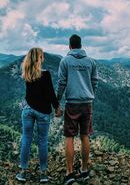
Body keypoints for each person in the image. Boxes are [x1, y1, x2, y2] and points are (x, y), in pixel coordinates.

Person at [16, 47, 62, 183]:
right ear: (39, 58)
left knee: (26, 140)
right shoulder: (45, 74)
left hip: (28, 110)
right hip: (42, 112)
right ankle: (43, 173)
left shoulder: (26, 73)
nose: (44, 58)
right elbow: (50, 94)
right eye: (42, 56)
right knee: (42, 141)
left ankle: (22, 172)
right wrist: (57, 107)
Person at [57, 34, 98, 185]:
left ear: (70, 46)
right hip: (87, 103)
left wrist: (57, 101)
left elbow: (61, 83)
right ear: (81, 46)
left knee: (69, 137)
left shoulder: (65, 61)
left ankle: (69, 173)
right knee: (85, 135)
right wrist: (90, 94)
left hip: (72, 103)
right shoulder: (91, 62)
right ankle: (85, 169)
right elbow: (95, 82)